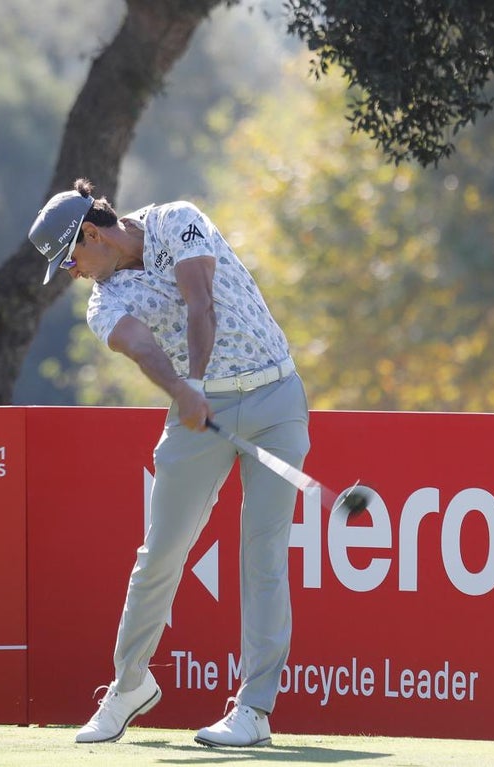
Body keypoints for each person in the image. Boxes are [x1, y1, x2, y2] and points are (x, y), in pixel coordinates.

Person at [28, 179, 310, 748]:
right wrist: (185, 392)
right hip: (198, 416)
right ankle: (128, 685)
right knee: (160, 553)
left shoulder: (175, 219)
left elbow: (200, 300)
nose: (71, 272)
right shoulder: (104, 301)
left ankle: (253, 711)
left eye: (70, 258)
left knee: (263, 555)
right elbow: (142, 348)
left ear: (91, 233)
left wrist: (196, 384)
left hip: (275, 398)